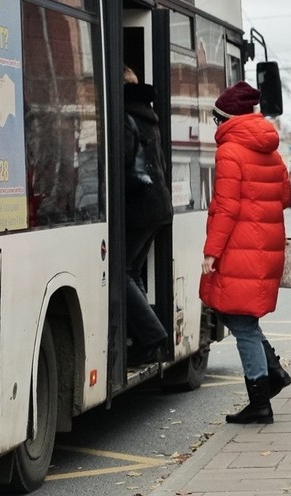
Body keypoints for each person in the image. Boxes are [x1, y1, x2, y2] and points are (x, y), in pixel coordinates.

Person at [201, 81, 291, 424]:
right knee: (240, 315)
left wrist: (211, 252)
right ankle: (273, 373)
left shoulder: (230, 150)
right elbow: (285, 197)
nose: (216, 125)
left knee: (240, 322)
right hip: (265, 245)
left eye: (217, 119)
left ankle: (260, 399)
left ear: (227, 118)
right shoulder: (270, 149)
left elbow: (226, 207)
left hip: (240, 247)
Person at [123, 66, 171, 365]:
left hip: (139, 208)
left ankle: (152, 335)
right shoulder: (148, 115)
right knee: (132, 271)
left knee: (120, 273)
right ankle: (147, 341)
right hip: (157, 206)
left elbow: (123, 161)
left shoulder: (124, 116)